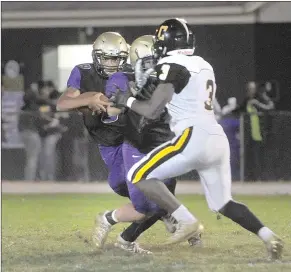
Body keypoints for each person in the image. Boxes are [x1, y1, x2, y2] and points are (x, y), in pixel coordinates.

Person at [111, 18, 283, 260]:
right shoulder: (203, 63)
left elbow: (152, 110)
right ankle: (269, 237)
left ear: (166, 43)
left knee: (138, 175)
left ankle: (186, 221)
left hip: (193, 136)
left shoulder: (172, 63)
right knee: (224, 203)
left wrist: (126, 101)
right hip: (216, 137)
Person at [57, 32, 181, 254]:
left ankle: (134, 235)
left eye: (117, 59)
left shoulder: (129, 72)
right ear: (96, 56)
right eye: (107, 58)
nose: (112, 64)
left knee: (151, 194)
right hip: (108, 144)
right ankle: (168, 214)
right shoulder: (83, 72)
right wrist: (89, 99)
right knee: (122, 187)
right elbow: (63, 103)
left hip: (132, 140)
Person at [93, 35, 202, 253]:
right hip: (138, 145)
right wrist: (133, 96)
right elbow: (111, 110)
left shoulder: (167, 78)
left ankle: (137, 235)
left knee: (162, 200)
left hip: (162, 144)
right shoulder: (122, 79)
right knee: (148, 207)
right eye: (155, 58)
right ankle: (110, 221)